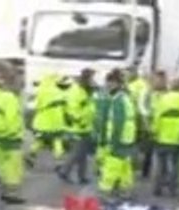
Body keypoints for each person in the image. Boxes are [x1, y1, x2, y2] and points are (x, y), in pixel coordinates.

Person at [98, 69, 138, 201]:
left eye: (110, 83)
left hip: (119, 138)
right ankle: (126, 190)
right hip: (127, 137)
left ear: (116, 84)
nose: (108, 86)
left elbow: (117, 122)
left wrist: (113, 141)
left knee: (112, 164)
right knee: (125, 165)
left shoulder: (118, 100)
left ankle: (105, 190)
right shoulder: (125, 97)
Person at [150, 73, 179, 197]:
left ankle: (158, 188)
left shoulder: (164, 99)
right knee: (176, 164)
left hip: (163, 136)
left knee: (161, 163)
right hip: (178, 138)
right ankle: (173, 188)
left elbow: (157, 117)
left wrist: (154, 131)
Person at [59, 68, 97, 184]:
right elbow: (72, 109)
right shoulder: (76, 91)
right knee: (77, 152)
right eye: (91, 78)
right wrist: (80, 120)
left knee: (83, 153)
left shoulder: (85, 90)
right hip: (78, 127)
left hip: (85, 126)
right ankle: (64, 171)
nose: (92, 80)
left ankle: (81, 176)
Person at [0, 72, 26, 203]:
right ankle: (12, 193)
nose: (21, 88)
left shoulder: (0, 96)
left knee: (5, 164)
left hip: (1, 136)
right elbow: (11, 119)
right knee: (13, 166)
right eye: (20, 84)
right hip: (11, 137)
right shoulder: (11, 99)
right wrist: (14, 134)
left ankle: (5, 191)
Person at [28, 74, 67, 168]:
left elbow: (34, 106)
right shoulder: (60, 92)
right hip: (57, 122)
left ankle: (31, 155)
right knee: (57, 140)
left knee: (40, 140)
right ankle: (59, 160)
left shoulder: (41, 92)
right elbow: (65, 107)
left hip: (43, 122)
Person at [128, 67, 153, 179]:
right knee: (144, 147)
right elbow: (142, 105)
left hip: (132, 119)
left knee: (133, 144)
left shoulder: (131, 86)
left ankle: (133, 166)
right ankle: (142, 169)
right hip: (142, 119)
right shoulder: (145, 86)